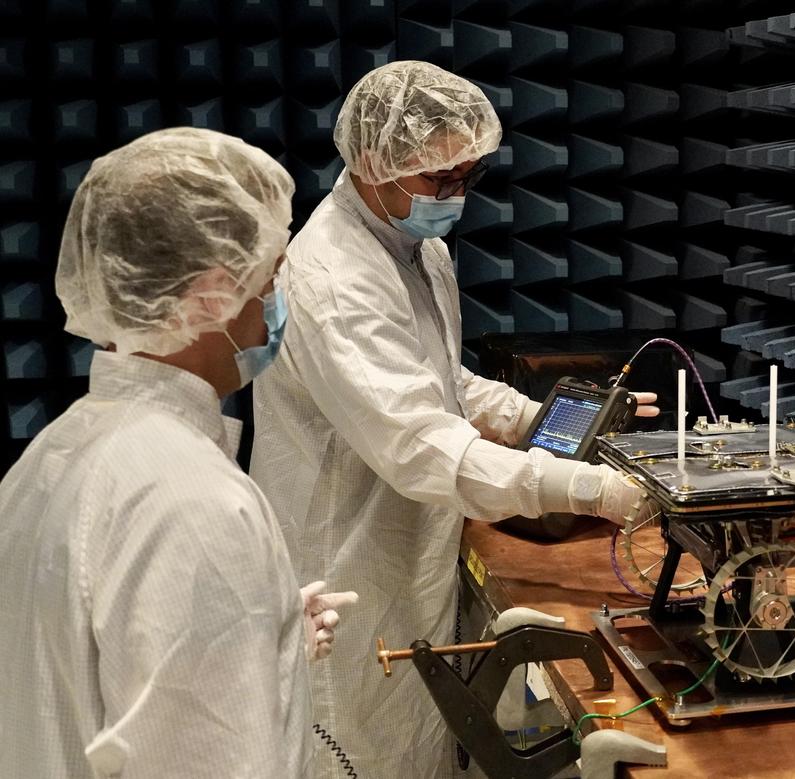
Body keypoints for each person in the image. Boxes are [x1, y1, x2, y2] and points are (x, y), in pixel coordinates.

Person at [250, 60, 656, 777]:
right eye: (439, 180)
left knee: (421, 746)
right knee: (362, 753)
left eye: (468, 175)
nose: (457, 196)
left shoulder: (418, 248)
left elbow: (440, 380)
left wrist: (533, 415)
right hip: (346, 577)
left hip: (410, 560)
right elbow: (424, 444)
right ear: (373, 162)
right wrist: (590, 490)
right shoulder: (332, 278)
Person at [0, 127, 355, 777]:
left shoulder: (51, 454)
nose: (279, 305)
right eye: (273, 277)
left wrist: (265, 636)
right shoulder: (194, 504)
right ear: (215, 294)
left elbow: (92, 678)